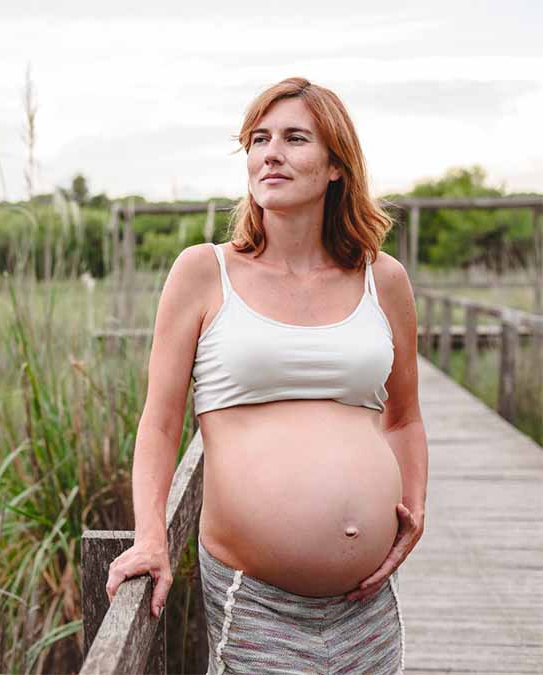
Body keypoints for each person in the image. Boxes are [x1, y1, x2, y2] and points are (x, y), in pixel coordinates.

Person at [104, 77, 428, 674]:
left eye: (294, 138)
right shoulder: (204, 272)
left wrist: (414, 512)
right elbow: (160, 420)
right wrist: (151, 537)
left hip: (368, 606)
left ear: (336, 165)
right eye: (259, 139)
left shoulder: (383, 280)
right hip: (252, 603)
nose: (270, 153)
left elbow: (404, 417)